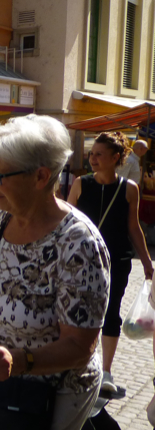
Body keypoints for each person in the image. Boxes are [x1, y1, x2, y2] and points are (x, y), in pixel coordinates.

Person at [0, 114, 110, 430]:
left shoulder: (78, 243)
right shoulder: (0, 215)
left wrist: (19, 362)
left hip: (49, 393)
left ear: (41, 176)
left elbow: (80, 346)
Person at [66, 131, 153, 393]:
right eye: (91, 154)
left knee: (111, 311)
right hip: (82, 260)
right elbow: (68, 221)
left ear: (116, 158)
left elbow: (133, 227)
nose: (92, 159)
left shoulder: (129, 188)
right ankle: (78, 365)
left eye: (98, 155)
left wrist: (147, 262)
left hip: (117, 258)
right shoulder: (81, 184)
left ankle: (106, 371)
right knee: (77, 310)